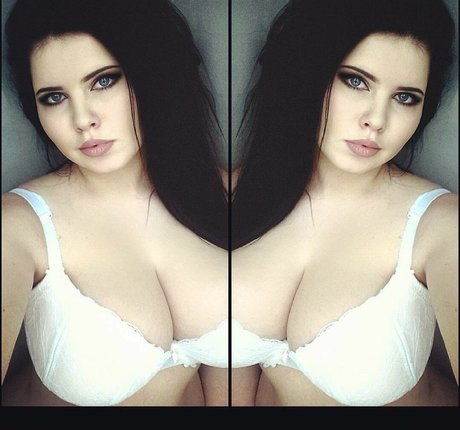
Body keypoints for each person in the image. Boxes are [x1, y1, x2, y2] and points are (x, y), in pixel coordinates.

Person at [1, 0, 229, 406]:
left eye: (103, 81)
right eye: (54, 97)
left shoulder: (216, 195)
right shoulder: (20, 226)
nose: (82, 119)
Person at [231, 0, 458, 406]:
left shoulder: (439, 226)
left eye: (405, 97)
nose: (377, 119)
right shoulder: (245, 196)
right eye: (355, 81)